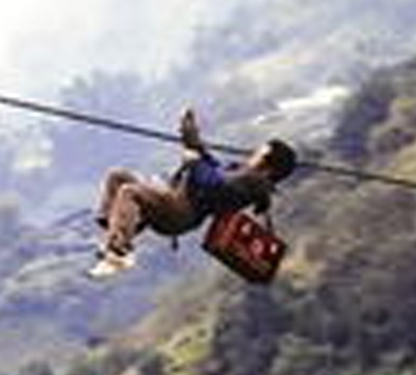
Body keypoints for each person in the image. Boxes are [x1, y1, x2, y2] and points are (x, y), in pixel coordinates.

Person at [88, 108, 298, 278]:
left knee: (128, 191)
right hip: (178, 202)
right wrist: (191, 136)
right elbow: (214, 168)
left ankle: (119, 251)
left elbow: (213, 184)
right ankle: (114, 232)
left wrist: (194, 160)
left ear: (268, 166)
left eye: (260, 153)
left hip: (181, 211)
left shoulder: (252, 182)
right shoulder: (247, 177)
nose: (254, 154)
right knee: (118, 177)